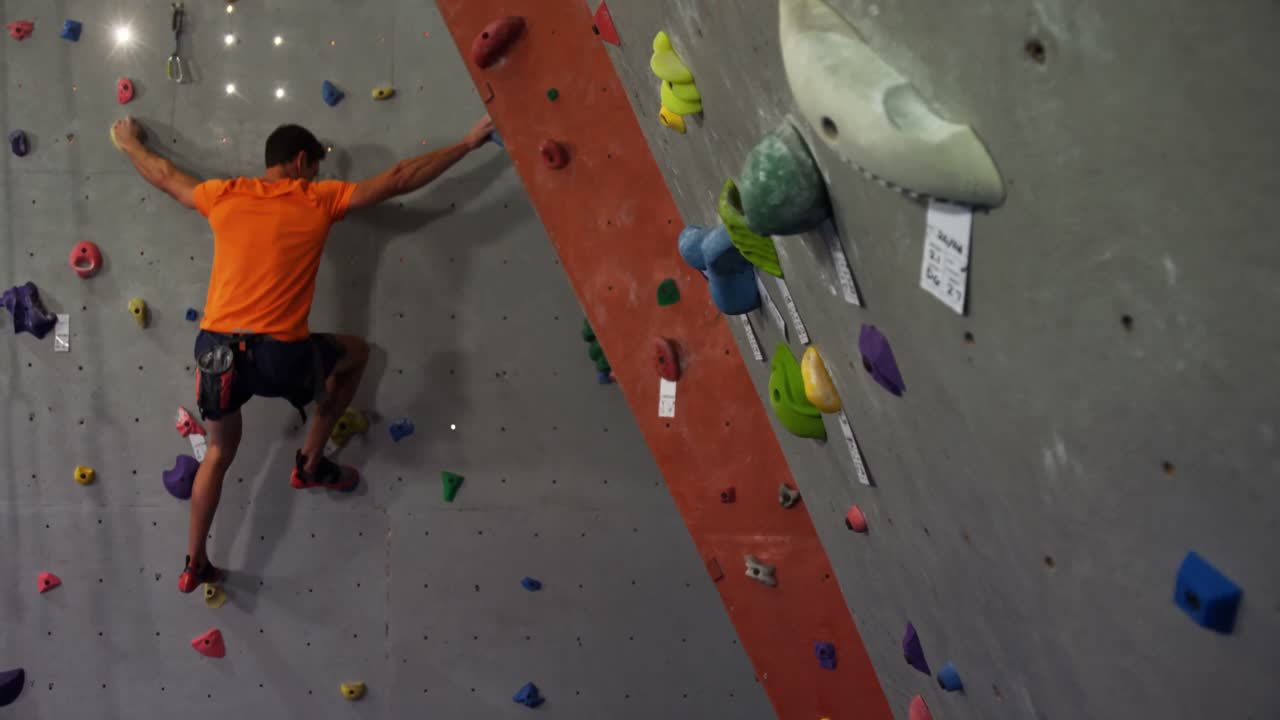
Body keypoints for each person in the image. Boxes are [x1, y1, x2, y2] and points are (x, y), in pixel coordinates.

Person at [111, 114, 495, 593]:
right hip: (278, 356)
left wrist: (128, 144)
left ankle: (195, 563)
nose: (315, 176)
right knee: (356, 355)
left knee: (218, 451)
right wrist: (465, 143)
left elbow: (165, 176)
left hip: (216, 355)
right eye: (313, 168)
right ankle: (310, 463)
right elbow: (398, 179)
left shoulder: (222, 195)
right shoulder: (318, 198)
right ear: (299, 162)